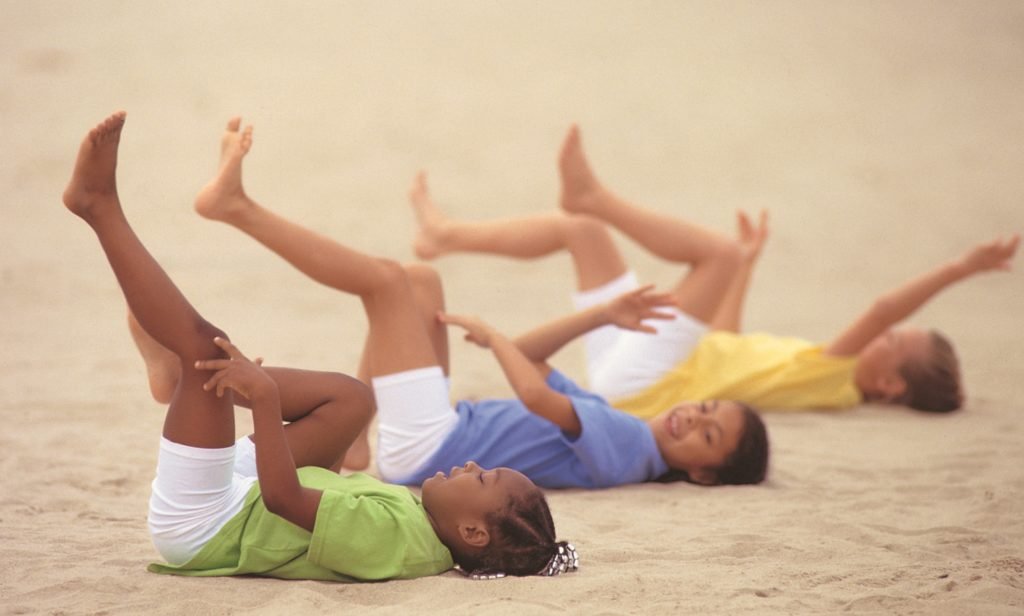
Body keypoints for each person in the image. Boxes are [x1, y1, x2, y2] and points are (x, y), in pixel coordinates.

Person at [63, 111, 576, 582]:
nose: (471, 465)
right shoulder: (420, 530)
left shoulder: (396, 537)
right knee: (353, 398)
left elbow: (285, 500)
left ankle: (98, 207)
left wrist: (264, 397)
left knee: (204, 348)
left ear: (473, 534)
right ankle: (192, 382)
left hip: (207, 526)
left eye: (482, 479)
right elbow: (312, 510)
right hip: (247, 504)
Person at [189, 117, 769, 488]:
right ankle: (358, 440)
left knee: (386, 283)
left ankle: (238, 208)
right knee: (420, 281)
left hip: (433, 446)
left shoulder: (628, 447)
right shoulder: (625, 432)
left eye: (707, 435)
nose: (694, 416)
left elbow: (536, 392)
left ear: (701, 474)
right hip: (440, 431)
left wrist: (493, 340)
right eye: (708, 409)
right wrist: (600, 315)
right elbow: (534, 359)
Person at [409, 125, 1020, 417]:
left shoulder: (833, 380)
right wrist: (747, 273)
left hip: (648, 380)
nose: (881, 332)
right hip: (638, 364)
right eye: (891, 335)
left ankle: (595, 195)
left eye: (892, 345)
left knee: (715, 254)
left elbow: (884, 306)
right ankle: (445, 235)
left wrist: (961, 266)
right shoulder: (805, 367)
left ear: (888, 384)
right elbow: (721, 342)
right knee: (584, 237)